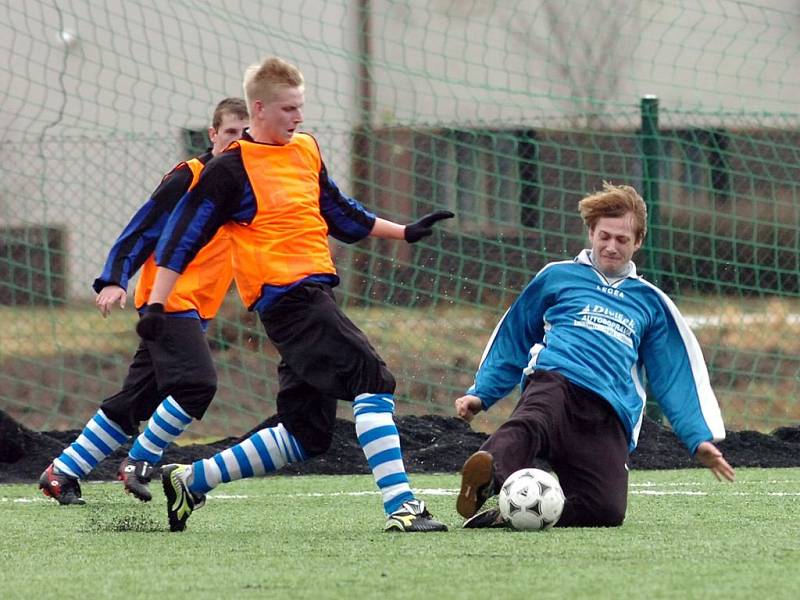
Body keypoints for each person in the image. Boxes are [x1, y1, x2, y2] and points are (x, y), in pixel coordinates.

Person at [136, 56, 453, 533]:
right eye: (288, 109)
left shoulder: (305, 149)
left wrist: (404, 232)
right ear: (258, 109)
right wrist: (157, 303)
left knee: (307, 433)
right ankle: (403, 508)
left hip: (314, 298)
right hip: (289, 304)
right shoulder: (230, 170)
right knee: (373, 381)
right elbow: (181, 238)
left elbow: (341, 214)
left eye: (301, 108)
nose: (298, 118)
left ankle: (190, 479)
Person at [454, 182, 735, 529]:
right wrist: (481, 394)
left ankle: (512, 516)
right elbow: (513, 336)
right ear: (591, 232)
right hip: (557, 383)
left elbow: (675, 374)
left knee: (606, 511)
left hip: (608, 412)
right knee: (530, 423)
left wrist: (697, 438)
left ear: (639, 241)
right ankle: (486, 475)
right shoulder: (557, 276)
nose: (611, 247)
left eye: (622, 239)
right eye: (604, 236)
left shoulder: (651, 302)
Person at [38, 98, 249, 505]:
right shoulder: (190, 175)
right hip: (167, 304)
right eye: (230, 134)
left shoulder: (246, 187)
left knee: (136, 400)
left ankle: (61, 472)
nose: (237, 142)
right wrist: (115, 278)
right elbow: (144, 226)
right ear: (213, 135)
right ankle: (141, 460)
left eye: (245, 135)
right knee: (198, 384)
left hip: (196, 310)